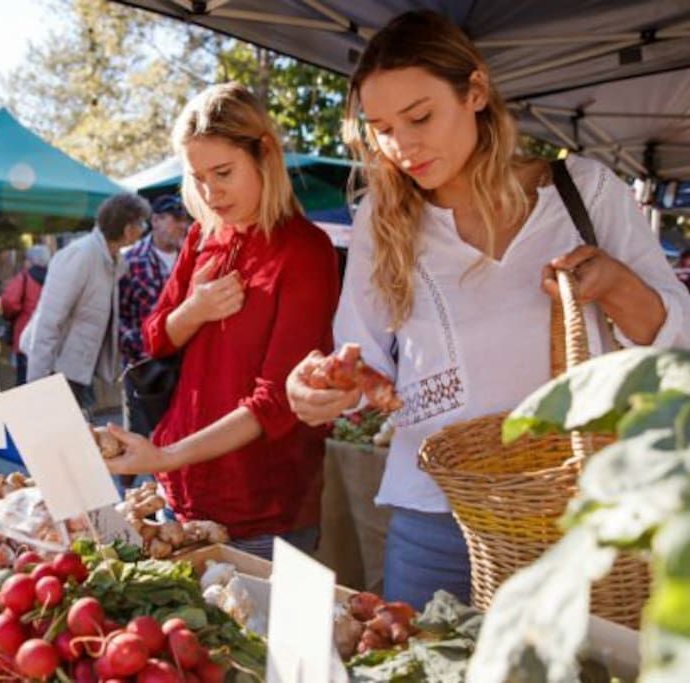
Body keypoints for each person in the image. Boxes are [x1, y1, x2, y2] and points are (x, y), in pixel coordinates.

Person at [285, 11, 690, 609]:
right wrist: (322, 385)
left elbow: (675, 341)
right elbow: (361, 355)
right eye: (382, 129)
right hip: (438, 516)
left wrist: (613, 282)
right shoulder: (381, 217)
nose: (403, 147)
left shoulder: (582, 190)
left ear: (475, 92)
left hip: (583, 508)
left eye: (420, 117)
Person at [103, 82, 340, 560]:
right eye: (198, 178)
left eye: (223, 172)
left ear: (265, 154)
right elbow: (156, 338)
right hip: (179, 493)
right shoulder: (201, 239)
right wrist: (195, 309)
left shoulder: (305, 251)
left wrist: (166, 455)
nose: (210, 193)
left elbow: (276, 402)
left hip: (259, 506)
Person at [22, 193, 150, 412]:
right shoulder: (80, 255)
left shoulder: (113, 260)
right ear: (127, 228)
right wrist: (36, 385)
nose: (144, 228)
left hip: (76, 372)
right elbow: (49, 320)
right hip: (51, 369)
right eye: (141, 222)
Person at [119, 194, 192, 435]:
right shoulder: (129, 260)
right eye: (176, 219)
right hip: (143, 364)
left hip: (183, 361)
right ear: (156, 220)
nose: (183, 225)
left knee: (181, 433)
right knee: (138, 433)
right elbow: (116, 315)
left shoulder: (192, 257)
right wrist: (138, 347)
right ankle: (127, 474)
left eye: (185, 219)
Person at [0, 244, 50, 385]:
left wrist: (11, 316)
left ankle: (25, 406)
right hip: (49, 336)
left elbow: (9, 302)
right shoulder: (55, 279)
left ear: (30, 261)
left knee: (24, 379)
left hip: (25, 335)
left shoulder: (24, 278)